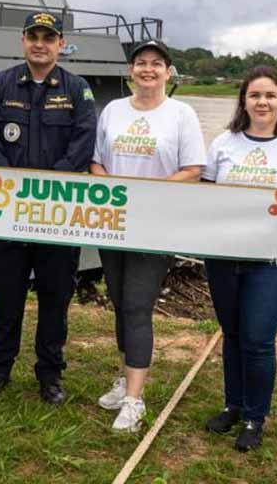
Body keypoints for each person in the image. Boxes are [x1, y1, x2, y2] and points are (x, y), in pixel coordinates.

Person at [0, 11, 97, 404]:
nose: (40, 43)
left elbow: (84, 141)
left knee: (55, 299)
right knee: (5, 297)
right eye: (34, 36)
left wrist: (49, 184)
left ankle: (50, 375)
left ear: (61, 43)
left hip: (57, 214)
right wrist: (11, 180)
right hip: (10, 211)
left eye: (49, 37)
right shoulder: (2, 84)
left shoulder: (77, 90)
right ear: (23, 41)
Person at [201, 66, 277, 451]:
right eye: (255, 95)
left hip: (274, 258)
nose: (262, 102)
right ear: (244, 100)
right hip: (224, 256)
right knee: (233, 334)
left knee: (257, 339)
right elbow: (203, 197)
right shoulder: (224, 143)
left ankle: (255, 417)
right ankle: (233, 405)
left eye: (270, 95)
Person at [89, 39, 206, 431]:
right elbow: (97, 162)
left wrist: (148, 195)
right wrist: (116, 192)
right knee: (120, 302)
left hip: (156, 224)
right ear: (131, 71)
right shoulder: (113, 110)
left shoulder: (181, 114)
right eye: (141, 63)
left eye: (157, 64)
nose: (148, 69)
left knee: (138, 306)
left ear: (168, 72)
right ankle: (124, 379)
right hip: (114, 222)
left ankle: (135, 401)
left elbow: (192, 169)